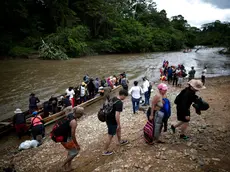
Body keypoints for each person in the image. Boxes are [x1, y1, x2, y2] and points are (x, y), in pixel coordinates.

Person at [103, 89, 129, 156]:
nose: (125, 98)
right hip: (112, 120)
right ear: (122, 95)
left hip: (107, 117)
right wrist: (118, 124)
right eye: (125, 97)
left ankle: (120, 141)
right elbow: (117, 115)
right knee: (110, 136)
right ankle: (105, 151)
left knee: (118, 130)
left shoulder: (113, 98)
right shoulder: (119, 103)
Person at [57, 107, 81, 171]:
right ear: (78, 114)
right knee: (75, 152)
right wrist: (77, 144)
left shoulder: (70, 115)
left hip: (63, 136)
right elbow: (73, 135)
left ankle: (69, 167)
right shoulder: (74, 122)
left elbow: (67, 110)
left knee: (71, 151)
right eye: (81, 115)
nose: (81, 116)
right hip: (64, 138)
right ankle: (62, 165)